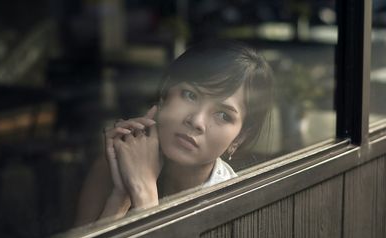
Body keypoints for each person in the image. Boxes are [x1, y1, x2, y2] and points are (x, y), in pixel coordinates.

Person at [75, 41, 273, 225]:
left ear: (239, 137)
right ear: (165, 94)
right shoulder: (114, 167)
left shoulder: (235, 207)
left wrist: (144, 194)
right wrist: (121, 196)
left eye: (223, 115)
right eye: (190, 95)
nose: (196, 121)